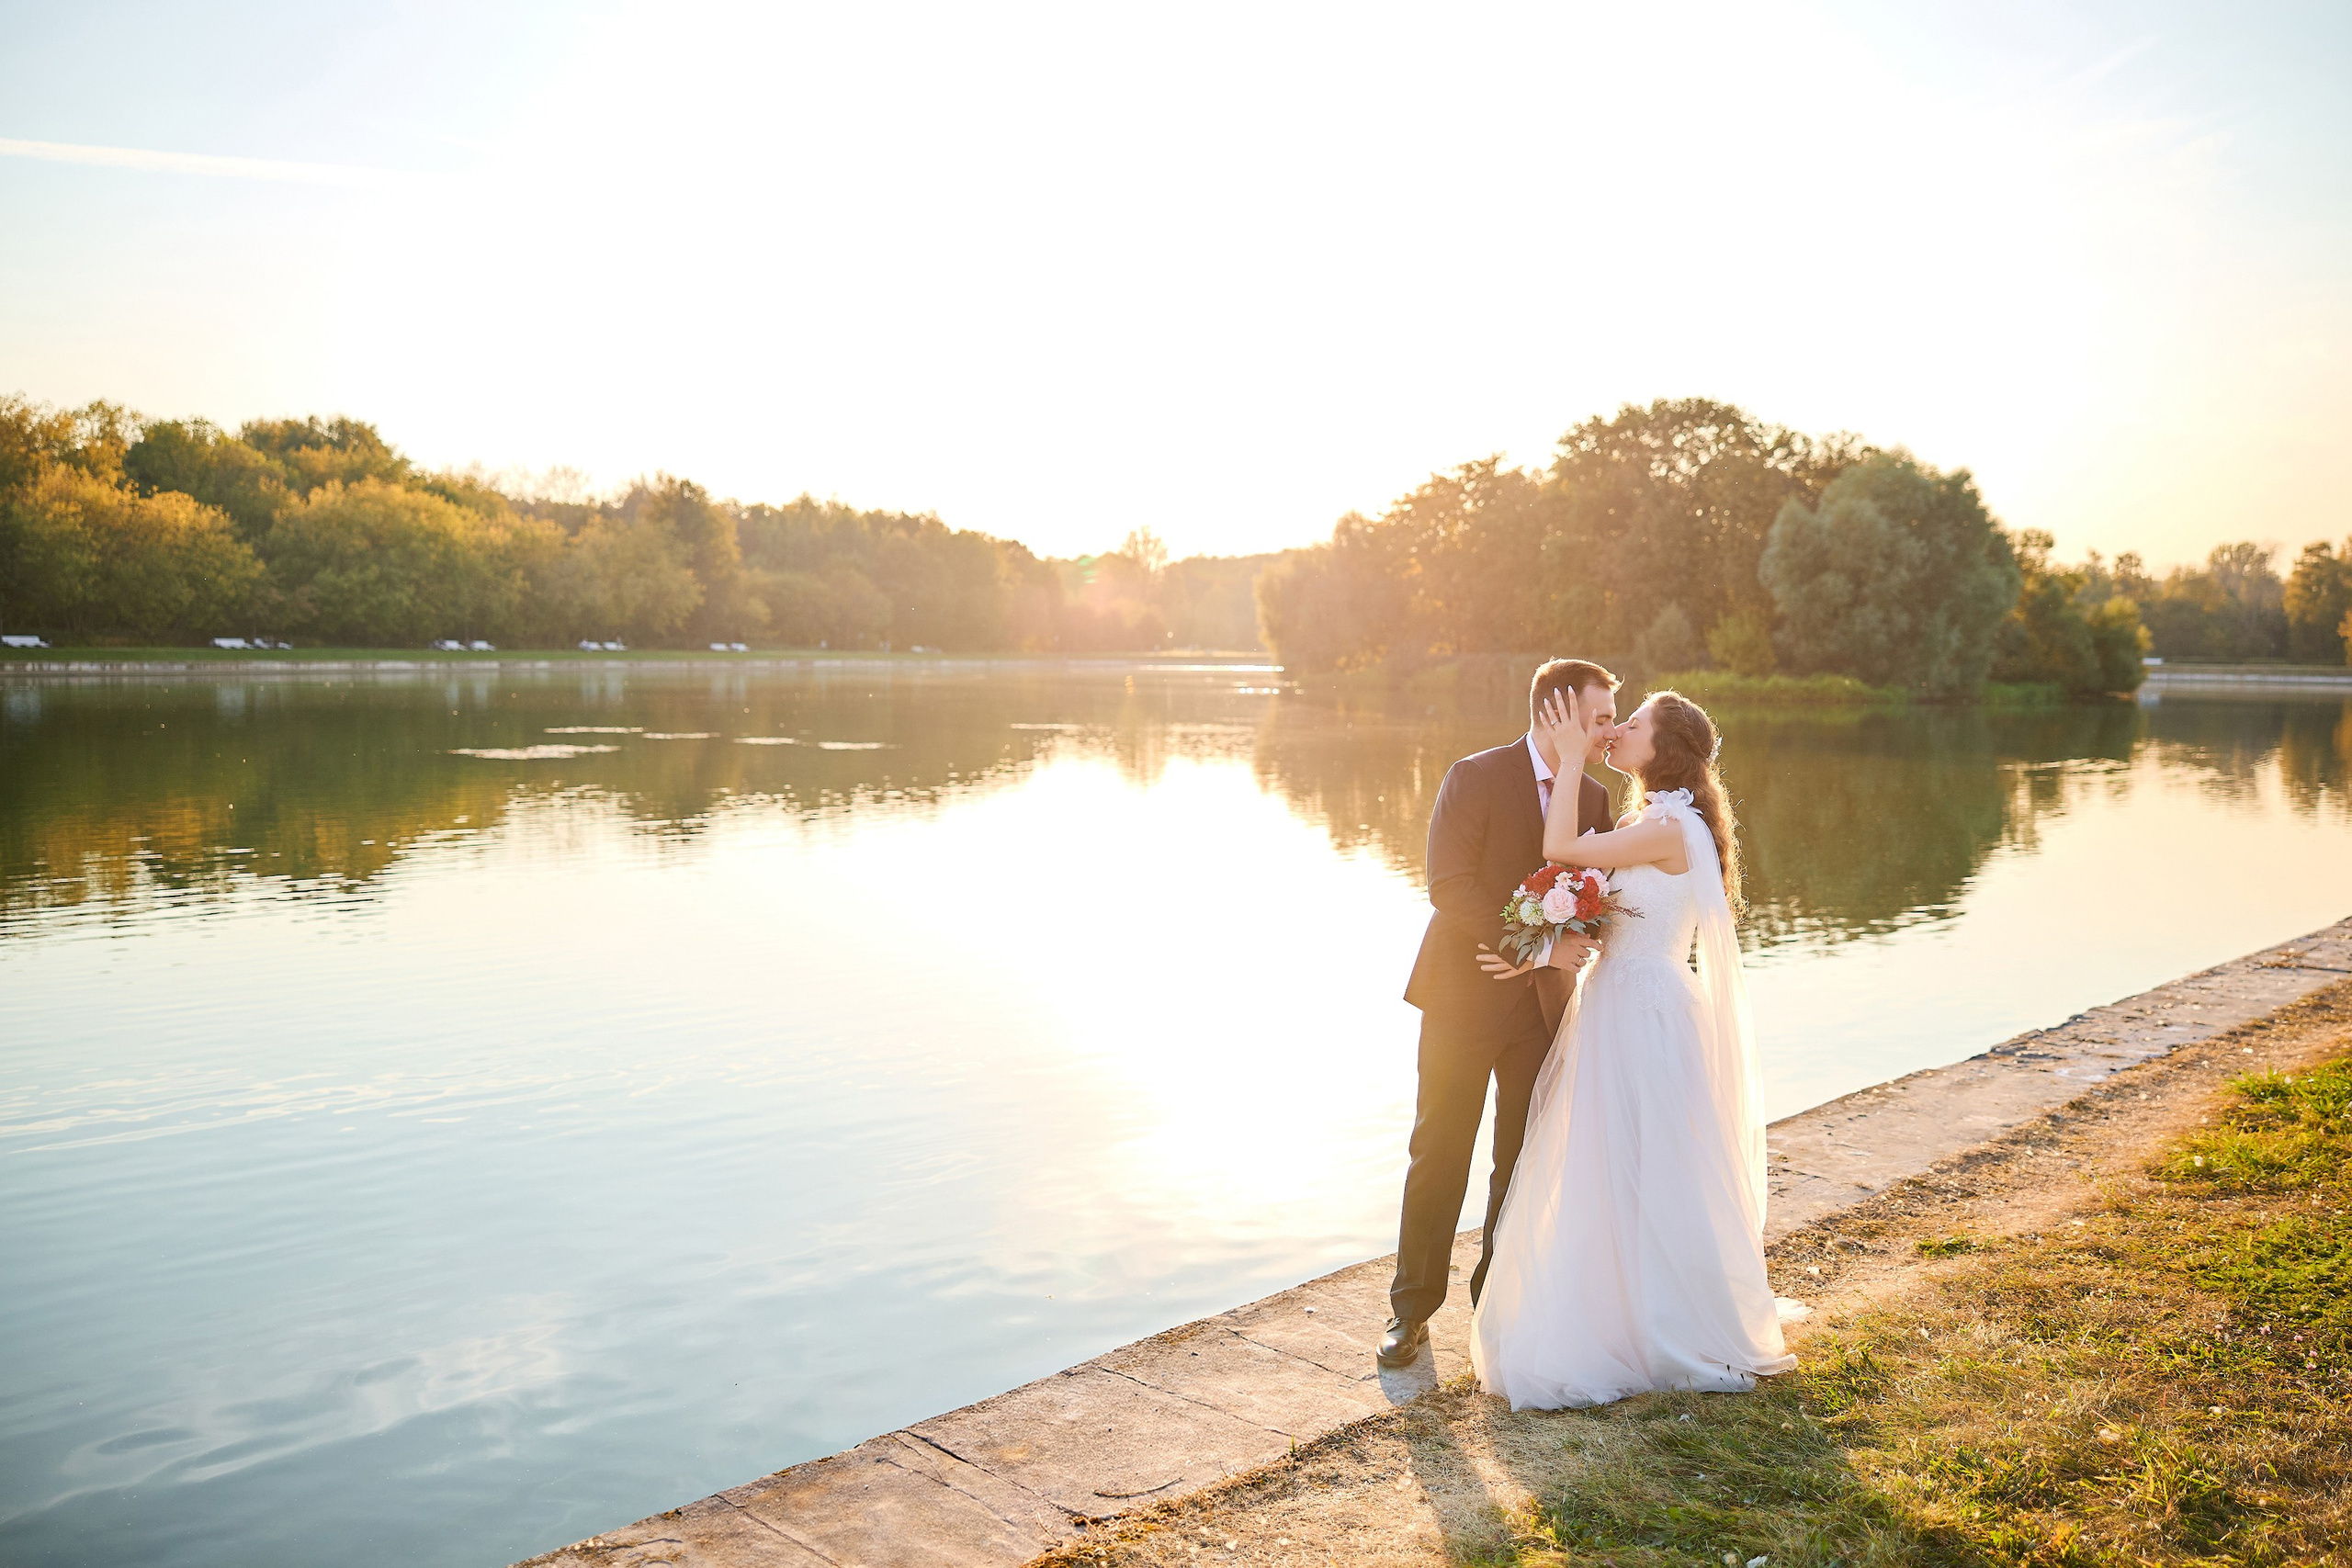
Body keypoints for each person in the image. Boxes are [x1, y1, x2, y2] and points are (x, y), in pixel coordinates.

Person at [1467, 684, 1799, 1407]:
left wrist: (1565, 751)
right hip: (1617, 999)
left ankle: (1661, 1322)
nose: (1619, 727)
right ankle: (1615, 1305)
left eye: (1634, 722)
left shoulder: (1670, 825)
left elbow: (1559, 846)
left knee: (1646, 1163)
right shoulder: (1652, 818)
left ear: (1664, 748)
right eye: (1619, 718)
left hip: (1644, 1010)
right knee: (1605, 1161)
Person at [1378, 658, 1621, 1370]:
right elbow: (1447, 884)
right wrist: (1528, 945)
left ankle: (1498, 1305)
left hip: (1542, 1009)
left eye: (1612, 719)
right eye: (1598, 716)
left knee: (1519, 1159)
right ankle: (1410, 1311)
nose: (1608, 730)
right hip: (1459, 996)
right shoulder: (1474, 775)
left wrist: (1543, 957)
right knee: (1440, 1149)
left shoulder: (1599, 801)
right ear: (1556, 714)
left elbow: (1600, 907)